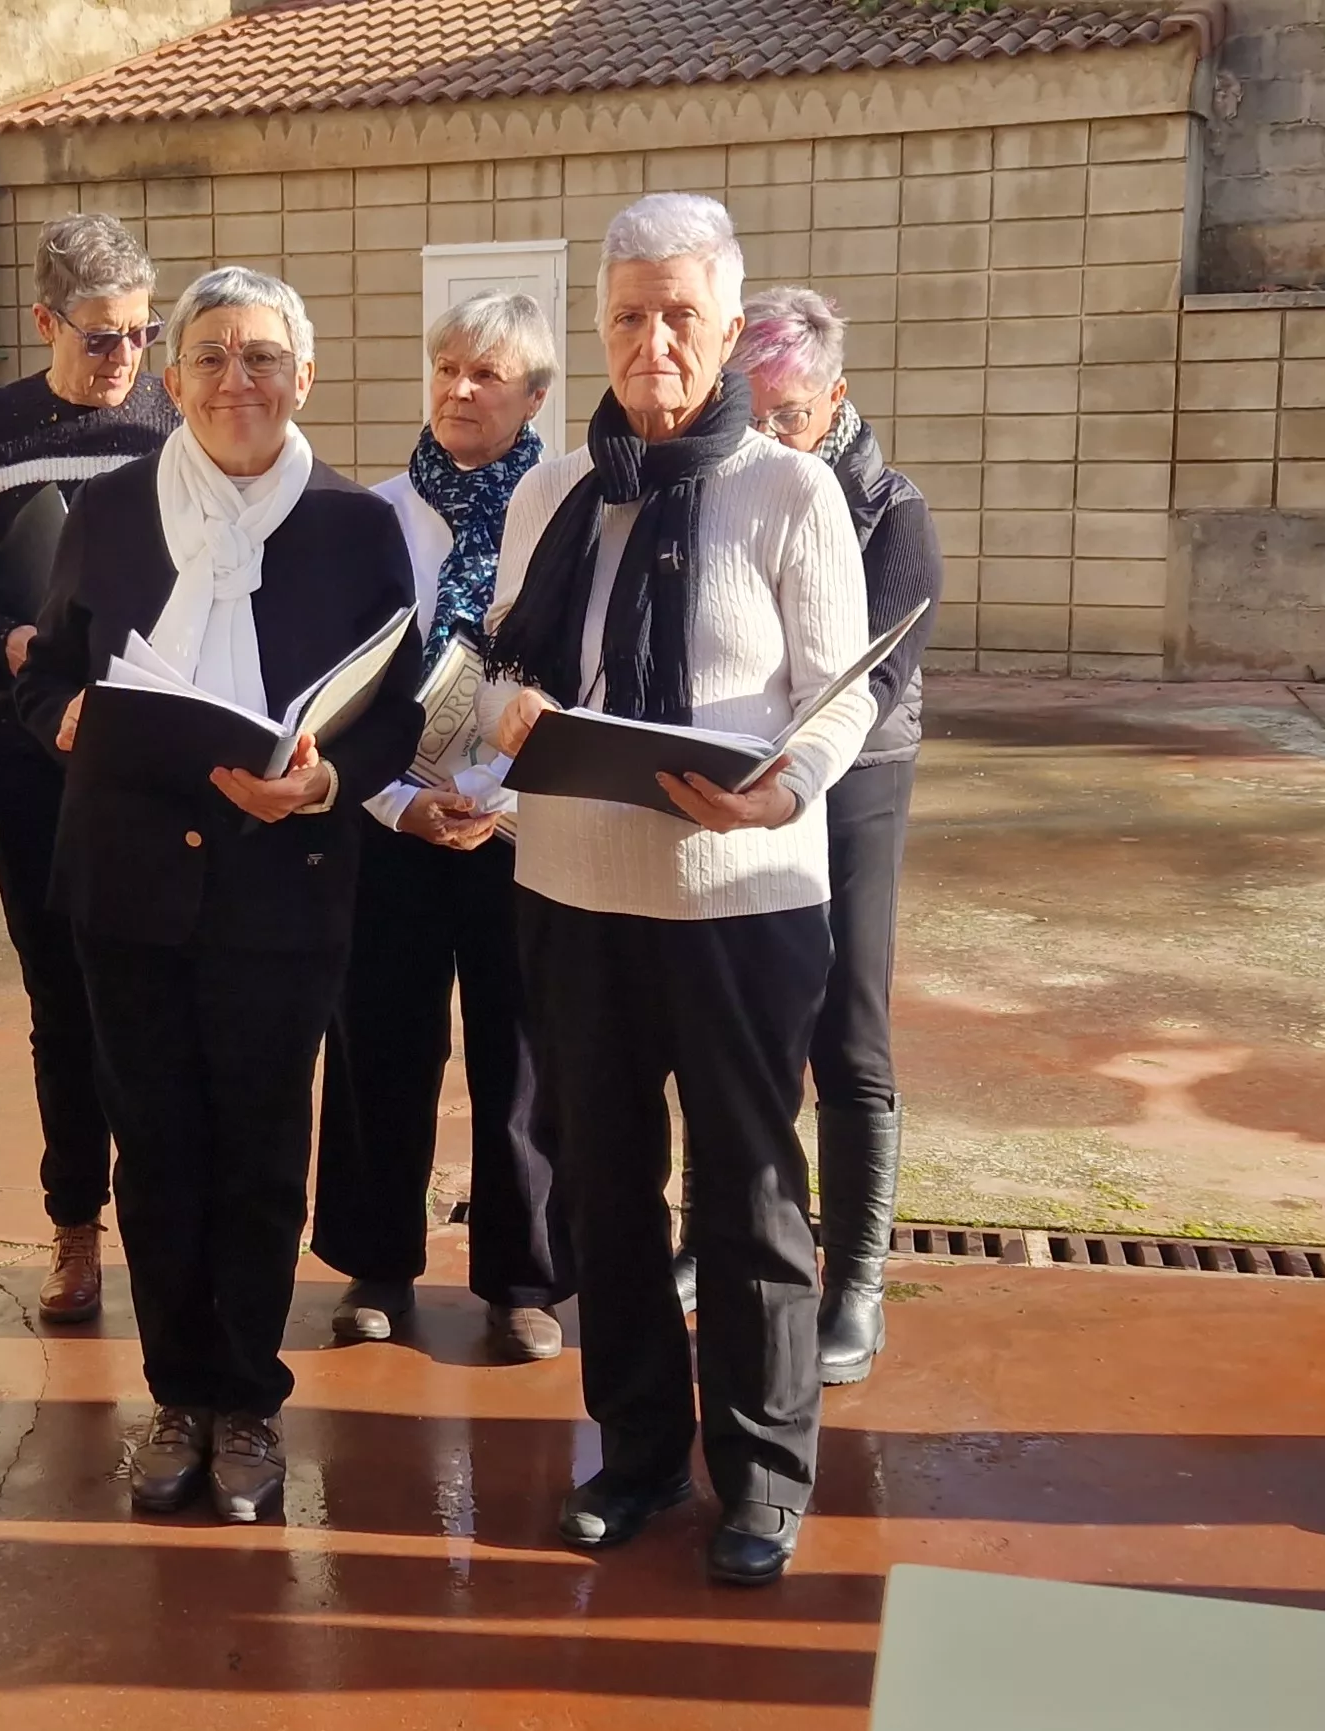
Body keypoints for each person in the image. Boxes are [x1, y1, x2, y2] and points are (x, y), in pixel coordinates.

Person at [483, 195, 874, 1587]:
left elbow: (840, 695)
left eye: (681, 315)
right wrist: (504, 714)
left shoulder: (789, 488)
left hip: (740, 890)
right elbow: (499, 663)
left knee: (752, 1191)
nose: (652, 341)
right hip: (577, 889)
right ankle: (637, 1452)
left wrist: (780, 785)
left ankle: (762, 1473)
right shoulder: (551, 490)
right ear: (598, 323)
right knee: (601, 1184)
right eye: (629, 314)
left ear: (725, 326)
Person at [15, 266, 425, 1524]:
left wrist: (322, 787)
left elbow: (398, 714)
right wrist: (64, 716)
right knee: (158, 1155)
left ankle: (245, 1396)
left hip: (283, 888)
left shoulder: (357, 528)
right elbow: (44, 675)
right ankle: (175, 1397)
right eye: (207, 358)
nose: (233, 382)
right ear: (174, 378)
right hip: (126, 886)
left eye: (259, 358)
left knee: (257, 1152)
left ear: (303, 377)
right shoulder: (113, 511)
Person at [0, 212, 178, 1324]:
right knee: (58, 996)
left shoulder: (175, 421)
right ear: (42, 321)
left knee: (156, 993)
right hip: (30, 762)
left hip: (151, 757)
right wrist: (4, 641)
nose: (124, 357)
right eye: (101, 335)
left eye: (139, 332)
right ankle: (73, 1227)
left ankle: (170, 1222)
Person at [315, 290, 571, 1364]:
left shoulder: (571, 511)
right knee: (379, 1039)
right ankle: (377, 1264)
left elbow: (583, 675)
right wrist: (395, 798)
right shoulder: (371, 517)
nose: (459, 391)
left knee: (519, 1053)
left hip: (521, 824)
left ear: (535, 395)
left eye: (486, 375)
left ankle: (522, 1279)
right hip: (390, 818)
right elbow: (332, 685)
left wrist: (501, 798)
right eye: (445, 369)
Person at [735, 286, 942, 1386]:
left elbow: (873, 677)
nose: (771, 437)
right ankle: (712, 1240)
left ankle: (854, 1279)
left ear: (836, 399)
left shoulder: (889, 510)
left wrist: (782, 758)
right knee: (739, 1022)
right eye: (752, 414)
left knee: (846, 1031)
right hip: (741, 785)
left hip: (852, 779)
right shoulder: (727, 489)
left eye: (791, 414)